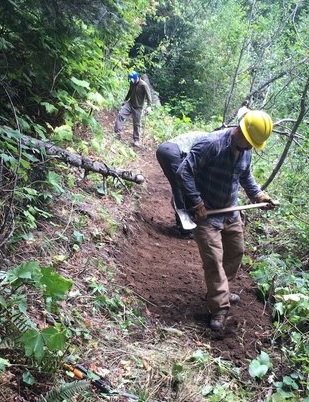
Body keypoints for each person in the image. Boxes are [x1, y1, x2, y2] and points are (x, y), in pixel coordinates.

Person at [176, 108, 276, 331]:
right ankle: (219, 307)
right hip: (206, 214)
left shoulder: (246, 149)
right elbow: (184, 171)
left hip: (231, 211)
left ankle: (221, 288)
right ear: (241, 130)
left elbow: (245, 175)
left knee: (236, 252)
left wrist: (258, 195)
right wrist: (196, 202)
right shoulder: (212, 144)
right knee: (213, 260)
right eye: (250, 141)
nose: (251, 146)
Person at [156, 130, 208, 237]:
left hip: (163, 150)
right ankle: (183, 227)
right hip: (173, 152)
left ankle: (183, 223)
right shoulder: (210, 141)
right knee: (181, 187)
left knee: (178, 187)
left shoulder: (206, 137)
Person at [114, 71, 152, 147]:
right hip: (130, 104)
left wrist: (149, 106)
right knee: (120, 115)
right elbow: (129, 92)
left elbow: (149, 97)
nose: (131, 81)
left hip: (138, 107)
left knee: (136, 124)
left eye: (132, 79)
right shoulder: (132, 83)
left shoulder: (143, 85)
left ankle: (136, 140)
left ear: (137, 78)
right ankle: (117, 134)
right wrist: (125, 101)